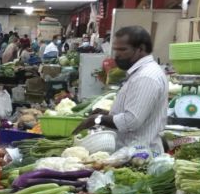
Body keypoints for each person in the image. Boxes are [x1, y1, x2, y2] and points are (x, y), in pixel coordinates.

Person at [72, 25, 168, 154]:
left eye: (123, 50)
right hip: (131, 151)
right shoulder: (142, 72)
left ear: (141, 49)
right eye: (116, 50)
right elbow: (137, 113)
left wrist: (97, 119)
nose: (117, 55)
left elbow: (131, 121)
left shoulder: (145, 77)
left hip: (138, 155)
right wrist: (109, 113)